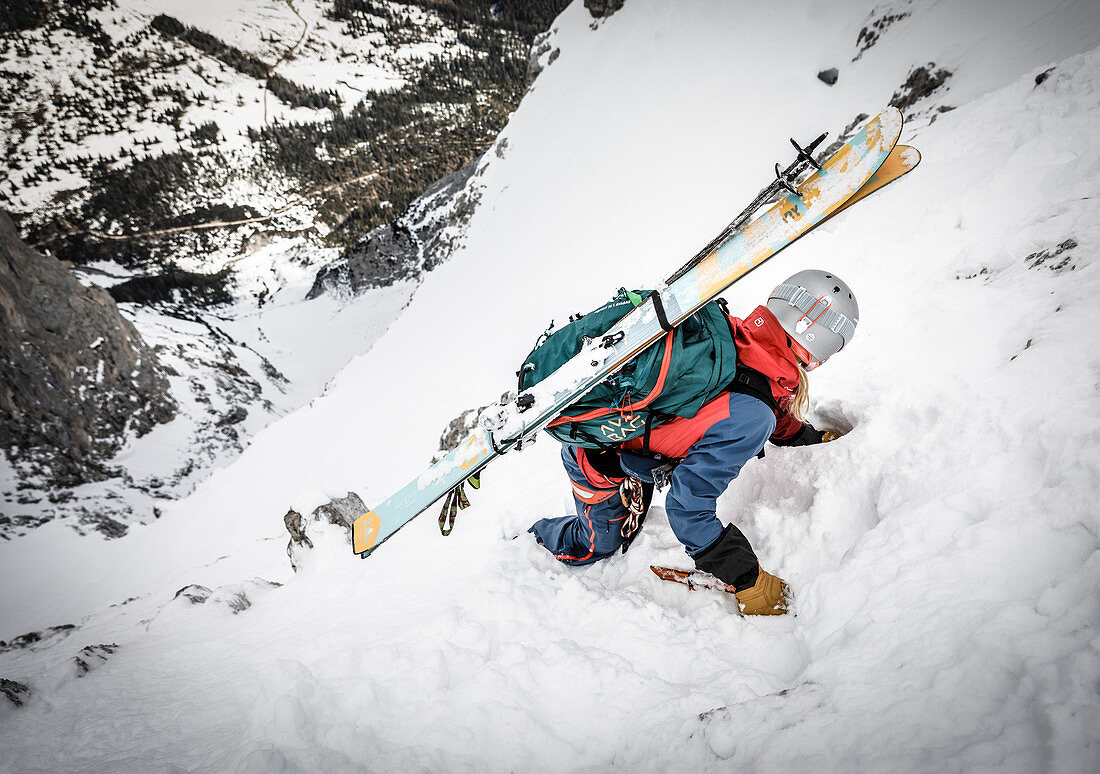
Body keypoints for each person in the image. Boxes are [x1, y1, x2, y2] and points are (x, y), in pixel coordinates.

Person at [528, 269, 859, 615]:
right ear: (821, 345)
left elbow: (761, 399)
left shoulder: (736, 334)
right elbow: (687, 505)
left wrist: (804, 437)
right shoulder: (754, 412)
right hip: (596, 455)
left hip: (636, 442)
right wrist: (746, 578)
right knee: (599, 543)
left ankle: (631, 481)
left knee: (632, 517)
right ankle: (535, 536)